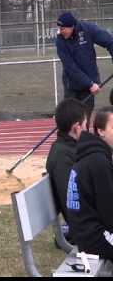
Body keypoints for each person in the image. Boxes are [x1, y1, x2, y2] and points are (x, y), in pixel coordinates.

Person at [66, 106, 113, 261]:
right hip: (93, 238)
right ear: (101, 131)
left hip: (88, 232)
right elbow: (108, 212)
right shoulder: (98, 161)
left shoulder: (96, 154)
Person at [56, 11, 113, 127]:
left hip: (89, 87)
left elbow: (110, 42)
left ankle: (82, 143)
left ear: (72, 26)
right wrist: (90, 84)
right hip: (71, 87)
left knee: (85, 121)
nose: (60, 31)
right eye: (59, 28)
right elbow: (70, 67)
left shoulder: (88, 29)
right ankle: (69, 143)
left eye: (63, 28)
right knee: (70, 122)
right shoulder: (60, 41)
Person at [45, 98, 88, 242]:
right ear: (76, 127)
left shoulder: (69, 148)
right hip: (86, 229)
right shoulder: (63, 157)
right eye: (85, 124)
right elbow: (71, 203)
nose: (87, 128)